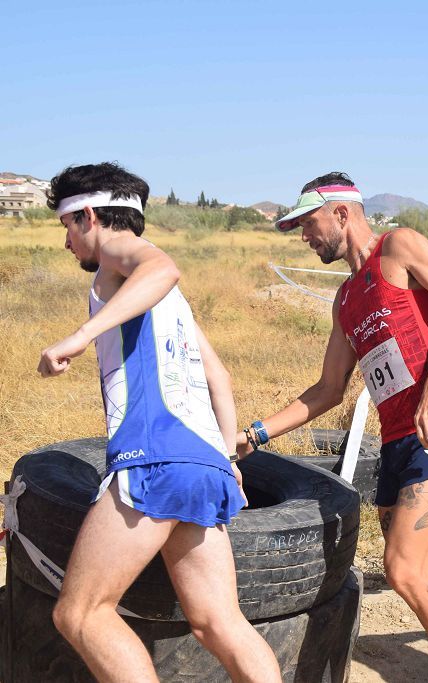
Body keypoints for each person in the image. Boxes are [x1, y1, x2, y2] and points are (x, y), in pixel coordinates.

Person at [240, 172, 428, 683]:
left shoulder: (398, 247)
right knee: (411, 575)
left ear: (342, 212)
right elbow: (327, 390)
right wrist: (255, 435)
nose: (303, 236)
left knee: (404, 569)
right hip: (395, 443)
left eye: (308, 223)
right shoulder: (344, 299)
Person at [38, 162, 280, 683]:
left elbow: (163, 266)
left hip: (153, 456)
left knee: (80, 613)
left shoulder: (117, 258)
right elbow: (220, 375)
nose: (67, 245)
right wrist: (226, 456)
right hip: (202, 462)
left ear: (88, 215)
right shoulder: (169, 304)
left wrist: (78, 338)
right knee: (219, 623)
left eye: (66, 228)